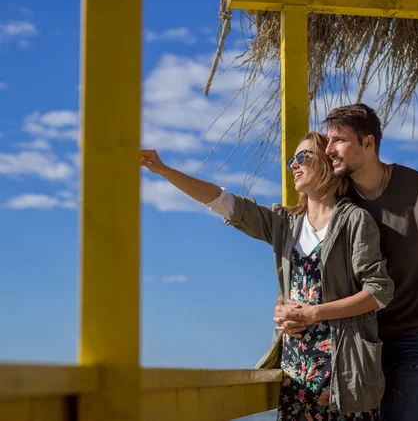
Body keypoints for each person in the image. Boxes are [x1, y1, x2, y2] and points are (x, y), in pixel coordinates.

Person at [140, 131, 394, 420]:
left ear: (328, 162)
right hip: (296, 369)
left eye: (303, 157)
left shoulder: (355, 221)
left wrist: (315, 313)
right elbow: (223, 202)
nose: (294, 165)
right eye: (291, 161)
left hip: (346, 370)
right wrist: (162, 170)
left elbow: (378, 292)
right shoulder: (285, 223)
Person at [274, 104, 418, 421]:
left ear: (368, 143)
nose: (328, 150)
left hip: (416, 340)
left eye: (338, 140)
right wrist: (286, 307)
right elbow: (308, 261)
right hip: (353, 340)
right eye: (327, 142)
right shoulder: (339, 203)